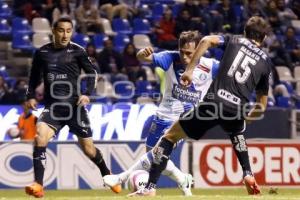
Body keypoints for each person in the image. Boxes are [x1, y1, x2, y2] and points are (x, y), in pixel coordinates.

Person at [128, 16, 271, 197]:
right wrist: (249, 117)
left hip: (214, 101)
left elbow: (206, 40)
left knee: (169, 138)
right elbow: (262, 105)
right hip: (237, 107)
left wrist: (189, 70)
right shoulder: (266, 63)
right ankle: (248, 173)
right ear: (264, 37)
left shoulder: (235, 40)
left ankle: (149, 188)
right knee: (237, 133)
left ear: (245, 32)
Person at [103, 31, 219, 196]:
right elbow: (145, 58)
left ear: (199, 50)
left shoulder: (211, 66)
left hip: (184, 119)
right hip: (162, 116)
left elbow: (231, 72)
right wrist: (141, 54)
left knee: (157, 152)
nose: (184, 57)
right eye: (182, 51)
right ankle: (182, 178)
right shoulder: (170, 58)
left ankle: (120, 178)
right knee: (155, 157)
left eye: (189, 53)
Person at [24, 17, 121, 198]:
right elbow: (34, 77)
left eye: (68, 31)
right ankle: (38, 185)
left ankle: (107, 174)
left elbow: (92, 73)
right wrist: (29, 96)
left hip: (75, 108)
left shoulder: (78, 51)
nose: (65, 34)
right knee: (40, 136)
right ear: (53, 31)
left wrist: (87, 93)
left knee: (89, 150)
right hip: (53, 108)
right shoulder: (42, 53)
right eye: (61, 30)